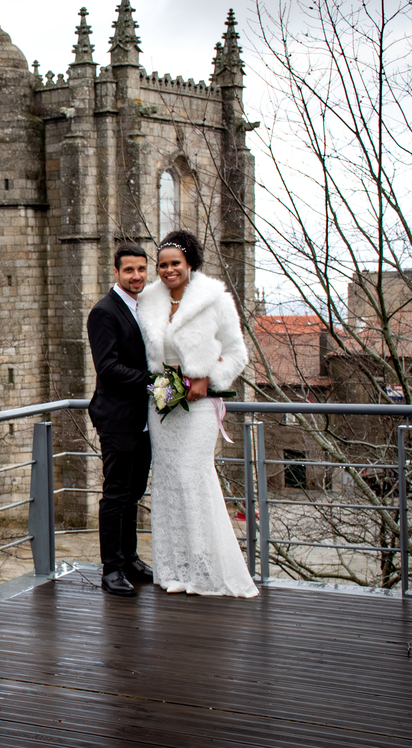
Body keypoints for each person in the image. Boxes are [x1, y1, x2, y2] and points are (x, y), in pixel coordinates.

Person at [135, 230, 258, 598]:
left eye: (175, 263)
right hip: (163, 406)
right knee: (168, 482)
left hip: (200, 406)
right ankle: (174, 571)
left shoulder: (215, 300)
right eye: (162, 265)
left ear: (190, 263)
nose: (168, 270)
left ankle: (205, 572)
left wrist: (209, 377)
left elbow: (237, 354)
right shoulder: (148, 301)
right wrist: (161, 386)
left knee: (193, 477)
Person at [87, 243, 154, 597]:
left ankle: (129, 559)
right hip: (117, 419)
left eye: (141, 269)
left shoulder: (145, 306)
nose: (136, 276)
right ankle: (111, 569)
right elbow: (108, 368)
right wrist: (154, 381)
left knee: (134, 493)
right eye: (129, 270)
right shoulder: (104, 311)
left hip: (143, 420)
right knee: (115, 496)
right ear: (116, 272)